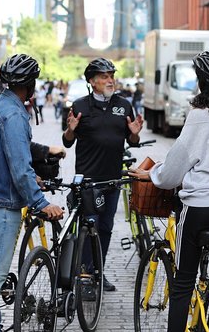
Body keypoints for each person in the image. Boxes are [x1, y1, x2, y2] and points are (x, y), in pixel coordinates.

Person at [130, 48, 209, 332]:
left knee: (183, 282)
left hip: (200, 206)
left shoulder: (200, 114)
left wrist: (154, 173)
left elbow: (174, 168)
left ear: (201, 81)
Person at [0, 53, 65, 332]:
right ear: (30, 84)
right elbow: (18, 165)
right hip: (0, 206)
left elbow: (3, 158)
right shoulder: (14, 115)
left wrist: (30, 177)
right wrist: (40, 202)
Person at [62, 57, 143, 291]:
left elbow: (131, 140)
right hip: (88, 181)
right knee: (90, 226)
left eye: (112, 76)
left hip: (113, 179)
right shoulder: (79, 106)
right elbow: (67, 143)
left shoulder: (124, 105)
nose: (110, 80)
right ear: (92, 81)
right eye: (105, 77)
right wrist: (70, 130)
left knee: (105, 228)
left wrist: (135, 135)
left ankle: (98, 272)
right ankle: (85, 275)